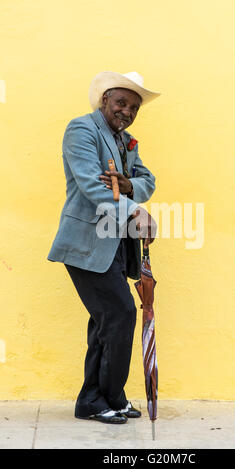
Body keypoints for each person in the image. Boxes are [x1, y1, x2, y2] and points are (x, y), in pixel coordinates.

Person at [47, 71, 160, 424]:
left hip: (115, 246)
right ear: (104, 100)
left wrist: (129, 188)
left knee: (105, 321)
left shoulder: (126, 140)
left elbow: (147, 180)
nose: (126, 111)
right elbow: (91, 187)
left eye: (133, 107)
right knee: (120, 314)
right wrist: (135, 209)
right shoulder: (82, 129)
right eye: (121, 102)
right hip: (85, 243)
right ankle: (105, 397)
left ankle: (97, 399)